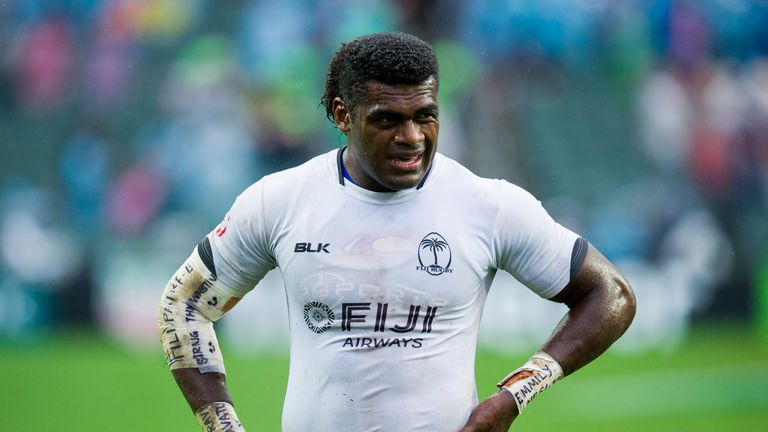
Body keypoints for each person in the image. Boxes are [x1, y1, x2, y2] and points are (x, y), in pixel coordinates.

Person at [157, 32, 636, 432]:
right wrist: (224, 427)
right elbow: (184, 305)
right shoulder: (279, 200)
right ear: (343, 116)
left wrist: (515, 393)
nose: (411, 137)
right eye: (387, 119)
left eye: (425, 115)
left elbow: (610, 295)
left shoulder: (488, 205)